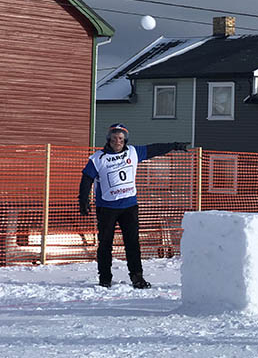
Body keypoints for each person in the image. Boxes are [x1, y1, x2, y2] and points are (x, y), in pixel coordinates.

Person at [78, 123, 189, 288]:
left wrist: (173, 146)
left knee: (132, 243)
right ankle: (105, 279)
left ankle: (137, 278)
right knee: (105, 244)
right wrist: (83, 200)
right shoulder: (98, 158)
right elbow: (86, 179)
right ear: (109, 139)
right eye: (115, 138)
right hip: (107, 208)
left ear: (125, 140)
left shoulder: (133, 152)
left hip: (129, 206)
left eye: (121, 138)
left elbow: (154, 149)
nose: (118, 141)